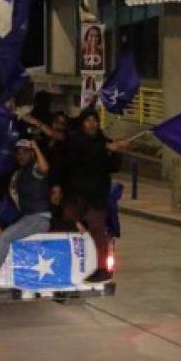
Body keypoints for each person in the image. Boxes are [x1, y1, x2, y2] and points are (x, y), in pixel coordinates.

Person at [63, 107, 129, 282]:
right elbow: (84, 151)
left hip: (96, 196)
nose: (92, 124)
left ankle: (101, 268)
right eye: (88, 120)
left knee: (97, 231)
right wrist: (108, 147)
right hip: (75, 194)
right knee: (68, 226)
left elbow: (113, 166)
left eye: (95, 121)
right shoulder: (76, 139)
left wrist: (116, 152)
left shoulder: (103, 140)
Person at [0, 138, 52, 287]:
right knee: (4, 235)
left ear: (31, 154)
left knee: (4, 237)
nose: (21, 155)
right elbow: (13, 202)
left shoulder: (34, 169)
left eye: (25, 152)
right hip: (28, 218)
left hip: (39, 218)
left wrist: (36, 147)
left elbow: (44, 168)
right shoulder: (19, 174)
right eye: (18, 152)